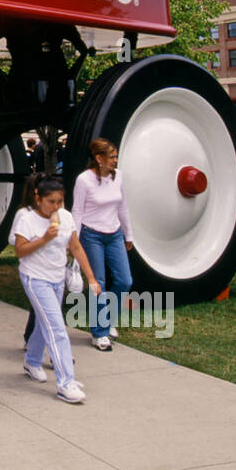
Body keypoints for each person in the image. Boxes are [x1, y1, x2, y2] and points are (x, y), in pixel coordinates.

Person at [11, 173, 101, 403]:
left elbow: (76, 247)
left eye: (59, 202)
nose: (55, 207)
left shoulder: (66, 218)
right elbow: (20, 251)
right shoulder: (27, 219)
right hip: (35, 277)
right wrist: (43, 239)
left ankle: (32, 361)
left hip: (57, 277)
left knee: (46, 323)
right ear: (38, 197)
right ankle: (65, 383)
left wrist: (91, 278)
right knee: (57, 328)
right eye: (50, 202)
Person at [71, 137, 133, 352]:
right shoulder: (84, 180)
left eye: (116, 156)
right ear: (99, 158)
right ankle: (99, 333)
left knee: (124, 281)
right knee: (98, 283)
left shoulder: (119, 178)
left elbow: (123, 207)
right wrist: (74, 241)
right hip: (91, 235)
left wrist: (129, 235)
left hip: (114, 233)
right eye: (112, 157)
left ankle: (108, 320)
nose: (116, 160)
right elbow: (77, 211)